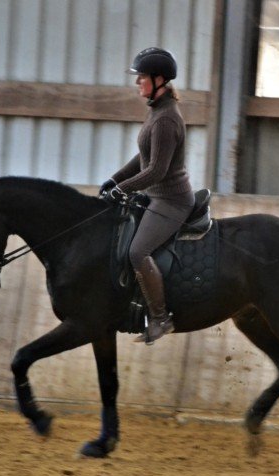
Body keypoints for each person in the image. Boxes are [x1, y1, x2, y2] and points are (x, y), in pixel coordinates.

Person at [99, 47, 194, 345]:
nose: (137, 81)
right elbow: (142, 159)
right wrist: (114, 179)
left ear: (159, 80)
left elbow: (156, 171)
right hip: (156, 196)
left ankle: (160, 318)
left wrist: (122, 189)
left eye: (141, 76)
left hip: (172, 200)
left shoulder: (166, 119)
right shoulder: (156, 111)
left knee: (137, 252)